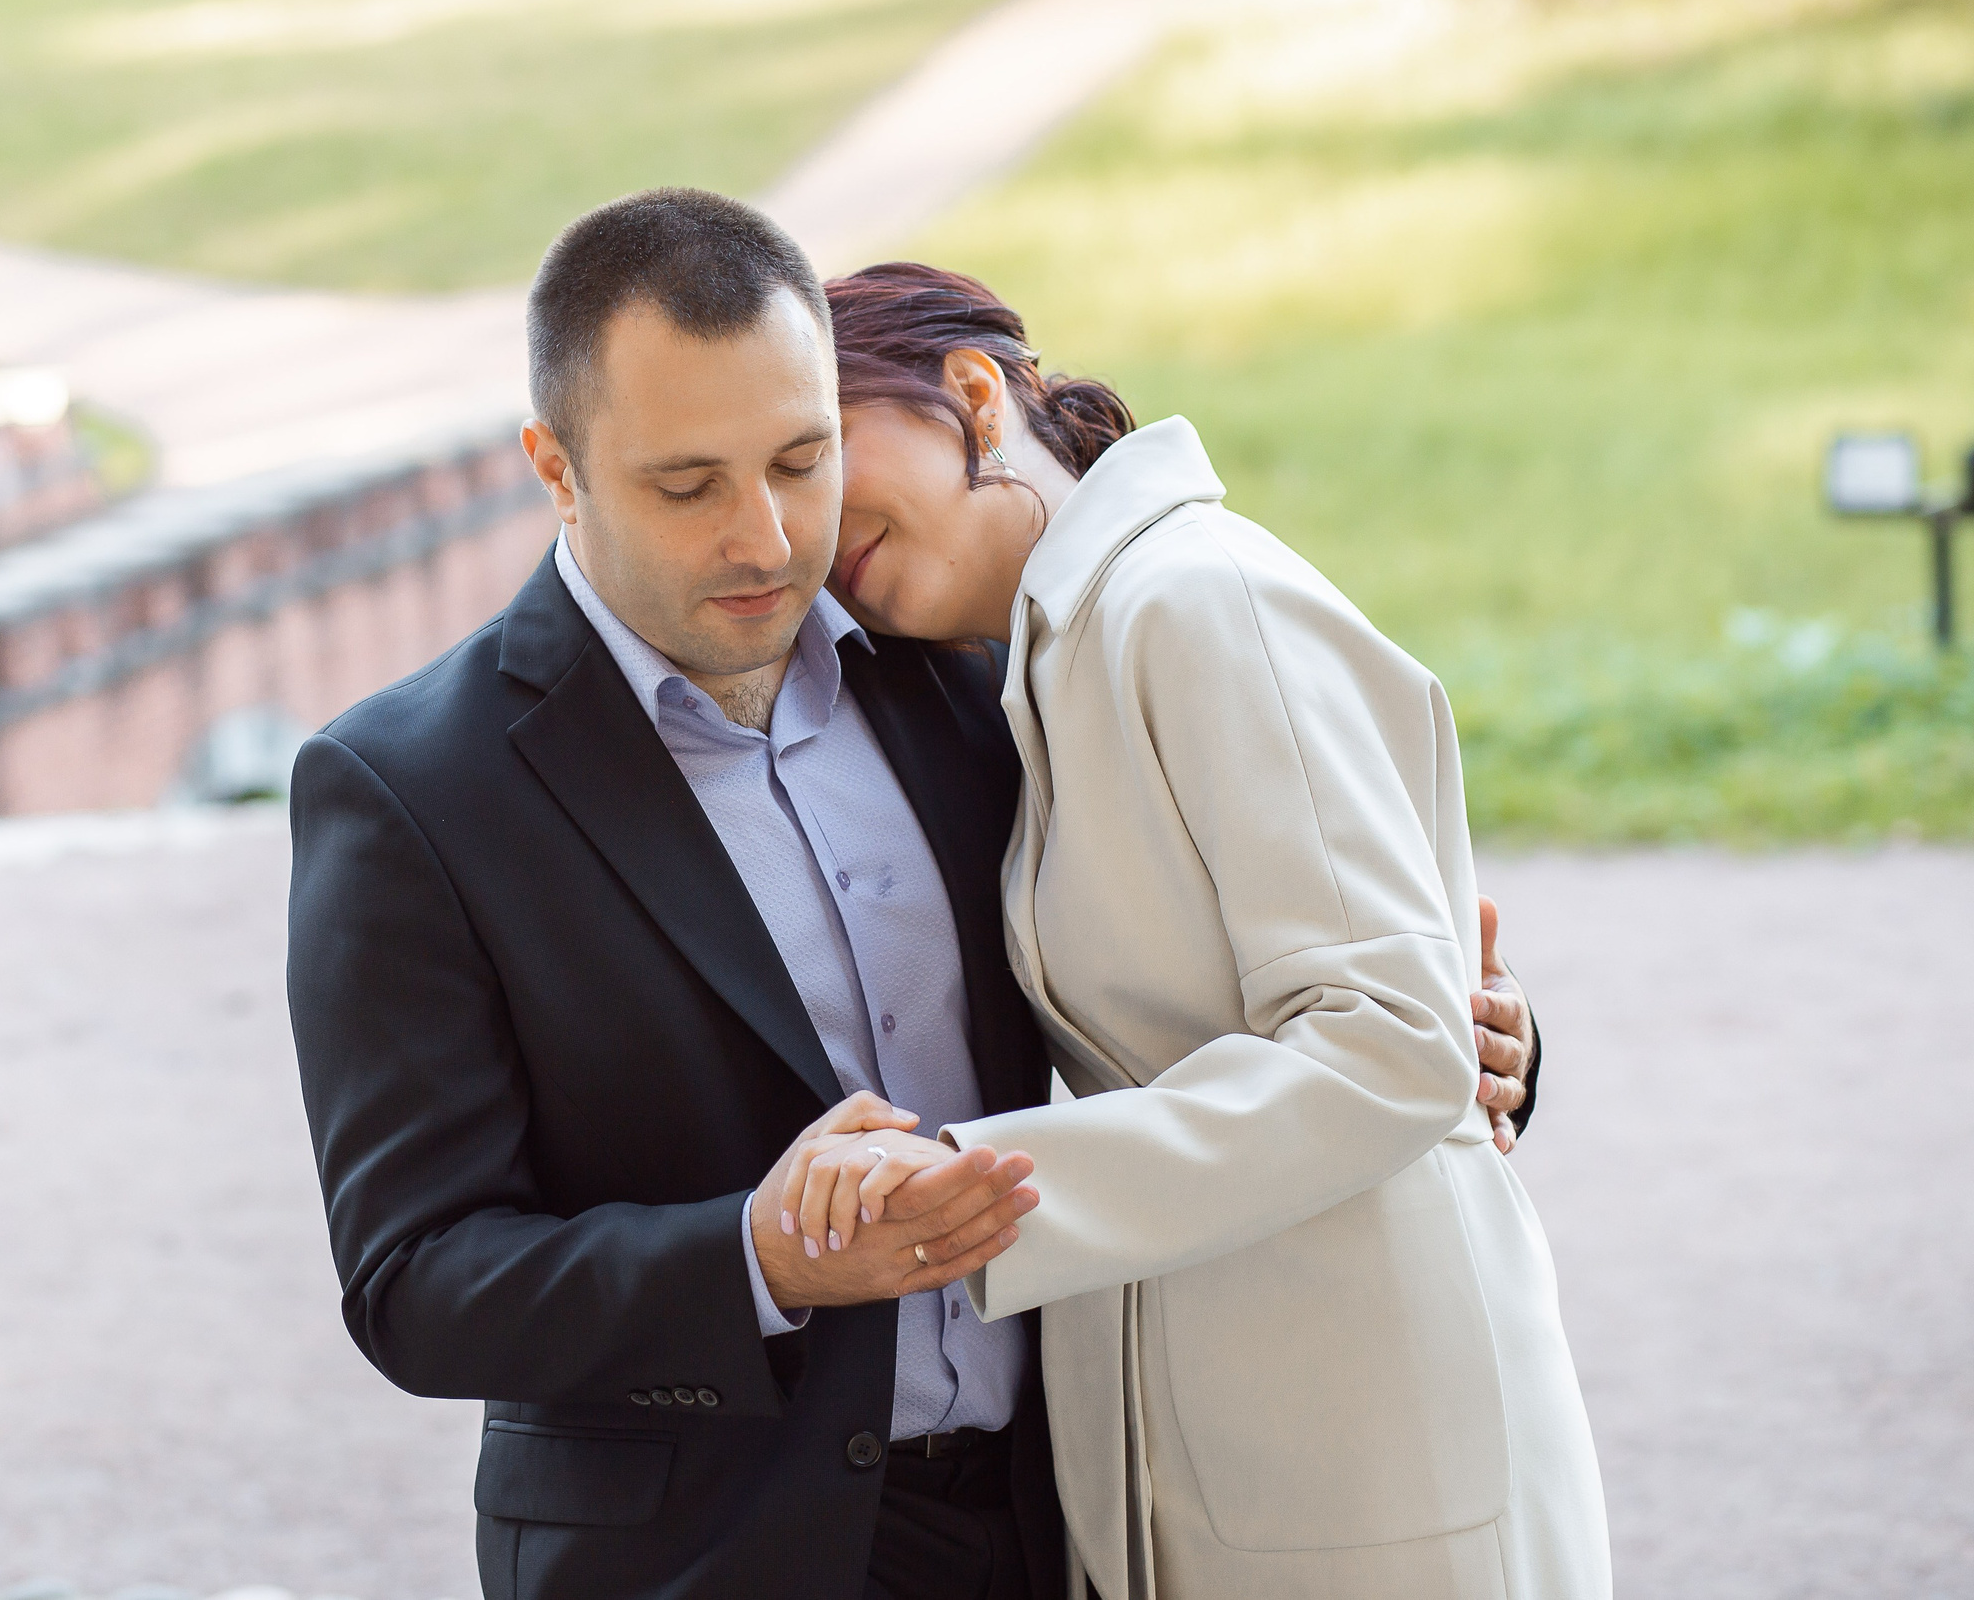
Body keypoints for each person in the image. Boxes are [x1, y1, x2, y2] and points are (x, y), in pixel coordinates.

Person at [284, 190, 1539, 1600]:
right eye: (687, 487)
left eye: (801, 460)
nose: (767, 539)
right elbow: (416, 1282)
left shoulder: (965, 662)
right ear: (556, 470)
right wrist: (759, 1259)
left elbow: (1197, 968)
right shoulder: (409, 787)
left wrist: (1464, 1030)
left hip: (1056, 1525)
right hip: (703, 1562)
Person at [776, 263, 1606, 1599]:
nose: (801, 529)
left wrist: (988, 1189)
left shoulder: (1192, 598)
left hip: (1370, 1446)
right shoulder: (1040, 663)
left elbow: (1391, 1043)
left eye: (815, 455)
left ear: (974, 394)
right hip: (1224, 1441)